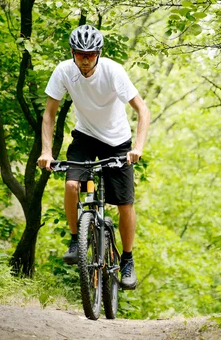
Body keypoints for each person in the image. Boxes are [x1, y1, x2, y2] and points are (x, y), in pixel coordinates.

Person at [37, 24, 150, 290]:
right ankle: (77, 239)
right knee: (71, 185)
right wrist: (46, 151)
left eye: (90, 55)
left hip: (117, 141)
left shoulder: (113, 71)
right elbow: (49, 114)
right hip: (85, 137)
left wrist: (138, 147)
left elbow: (142, 110)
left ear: (98, 54)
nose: (85, 60)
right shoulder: (64, 71)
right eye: (79, 54)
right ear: (73, 53)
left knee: (124, 204)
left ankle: (127, 260)